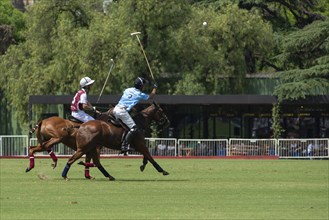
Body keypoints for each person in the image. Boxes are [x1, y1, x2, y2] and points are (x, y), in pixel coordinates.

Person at [113, 76, 157, 152]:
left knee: (126, 127)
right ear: (141, 86)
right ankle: (125, 146)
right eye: (143, 85)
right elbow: (151, 96)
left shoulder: (127, 90)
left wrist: (132, 108)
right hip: (122, 111)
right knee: (134, 128)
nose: (144, 86)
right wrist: (155, 88)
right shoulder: (139, 94)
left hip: (116, 109)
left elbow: (128, 100)